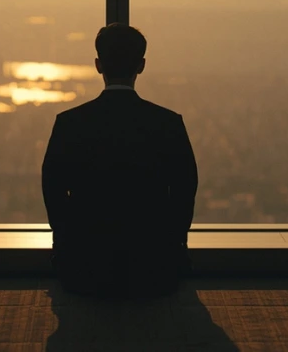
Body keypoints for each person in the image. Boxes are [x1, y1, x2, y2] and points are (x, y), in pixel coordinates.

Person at [41, 23, 198, 298]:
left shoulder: (70, 123)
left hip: (85, 270)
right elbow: (186, 189)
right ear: (141, 65)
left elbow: (52, 189)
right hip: (154, 271)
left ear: (98, 65)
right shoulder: (168, 124)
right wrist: (172, 244)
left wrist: (68, 243)